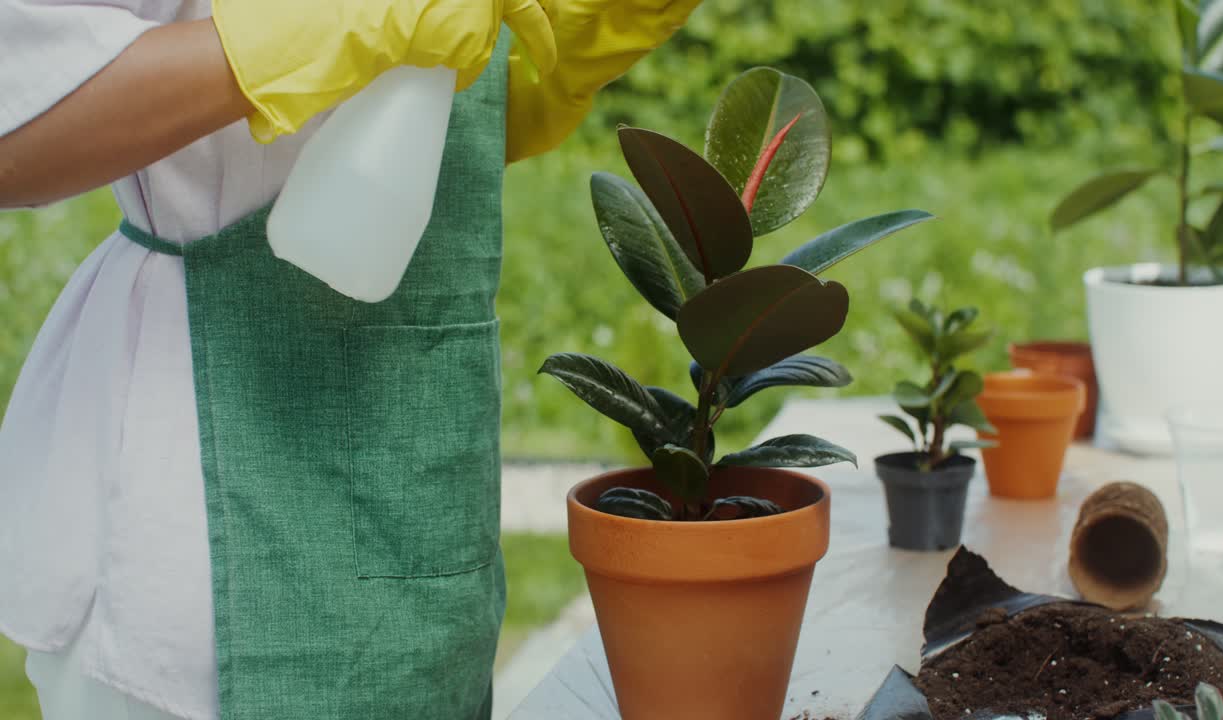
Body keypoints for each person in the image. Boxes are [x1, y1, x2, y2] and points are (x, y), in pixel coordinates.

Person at [0, 1, 701, 718]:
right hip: (205, 541)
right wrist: (348, 23)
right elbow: (18, 113)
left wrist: (512, 87)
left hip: (416, 477)